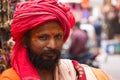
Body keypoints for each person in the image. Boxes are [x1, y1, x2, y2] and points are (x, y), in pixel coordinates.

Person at [0, 0, 113, 80]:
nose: (53, 45)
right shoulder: (10, 78)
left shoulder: (83, 74)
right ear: (25, 41)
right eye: (43, 37)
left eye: (58, 37)